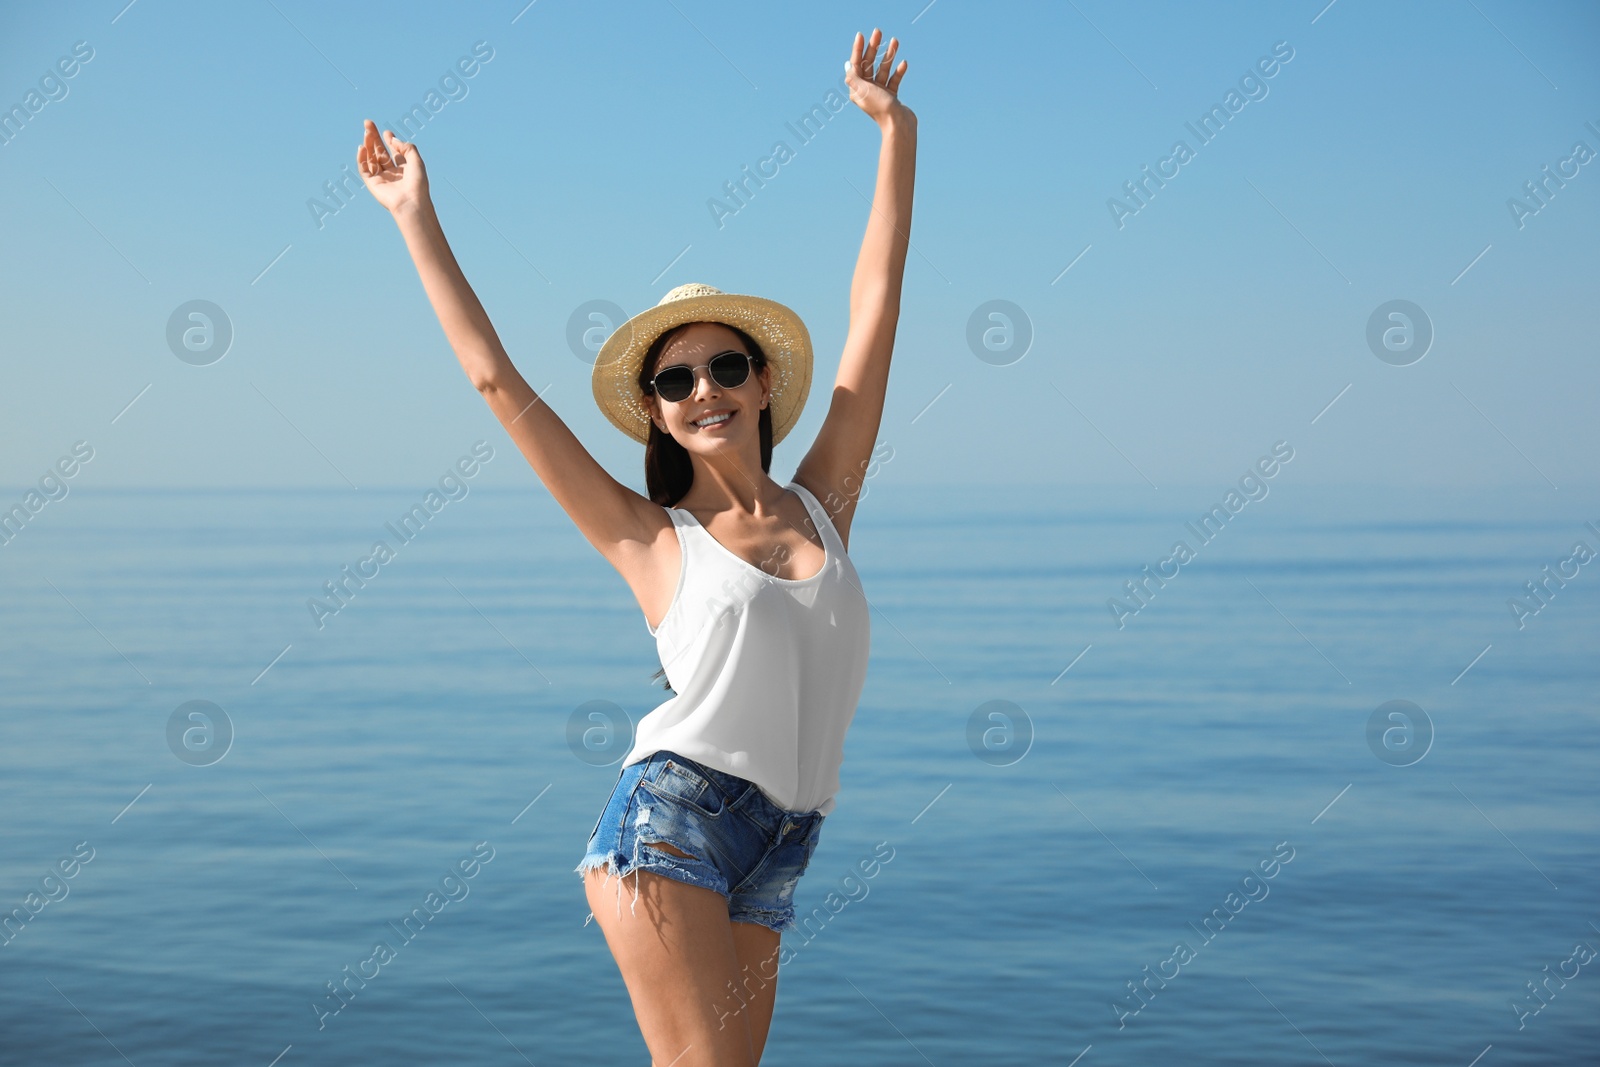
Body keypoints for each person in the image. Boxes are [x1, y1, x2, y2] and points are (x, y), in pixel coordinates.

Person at [357, 26, 915, 1067]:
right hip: (671, 820)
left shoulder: (823, 505)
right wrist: (413, 216)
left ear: (760, 385)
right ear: (656, 413)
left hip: (783, 842)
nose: (703, 388)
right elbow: (497, 382)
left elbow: (875, 312)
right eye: (675, 379)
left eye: (723, 366)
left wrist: (896, 136)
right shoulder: (651, 535)